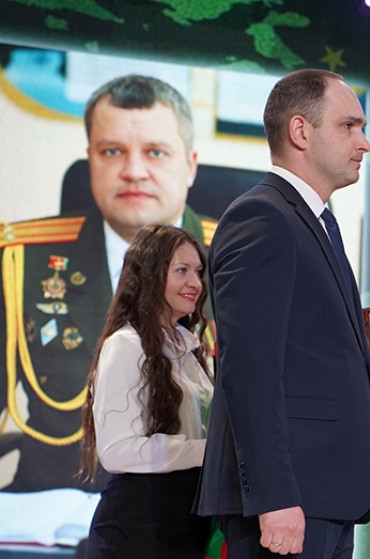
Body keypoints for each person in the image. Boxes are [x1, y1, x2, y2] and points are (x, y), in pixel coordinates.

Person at [194, 68, 370, 559]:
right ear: (300, 131)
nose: (364, 142)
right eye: (349, 126)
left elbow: (312, 366)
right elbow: (249, 372)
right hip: (289, 501)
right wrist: (274, 497)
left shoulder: (315, 221)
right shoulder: (263, 216)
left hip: (325, 496)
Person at [0, 74, 216, 498]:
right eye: (112, 151)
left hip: (193, 509)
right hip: (55, 507)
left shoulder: (240, 260)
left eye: (155, 152)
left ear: (189, 165)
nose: (133, 171)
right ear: (91, 160)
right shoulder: (22, 260)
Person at [79, 224, 218, 559]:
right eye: (181, 271)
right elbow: (117, 451)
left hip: (189, 524)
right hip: (140, 529)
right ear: (149, 273)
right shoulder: (125, 345)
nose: (195, 283)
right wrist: (210, 452)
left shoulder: (188, 347)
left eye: (198, 272)